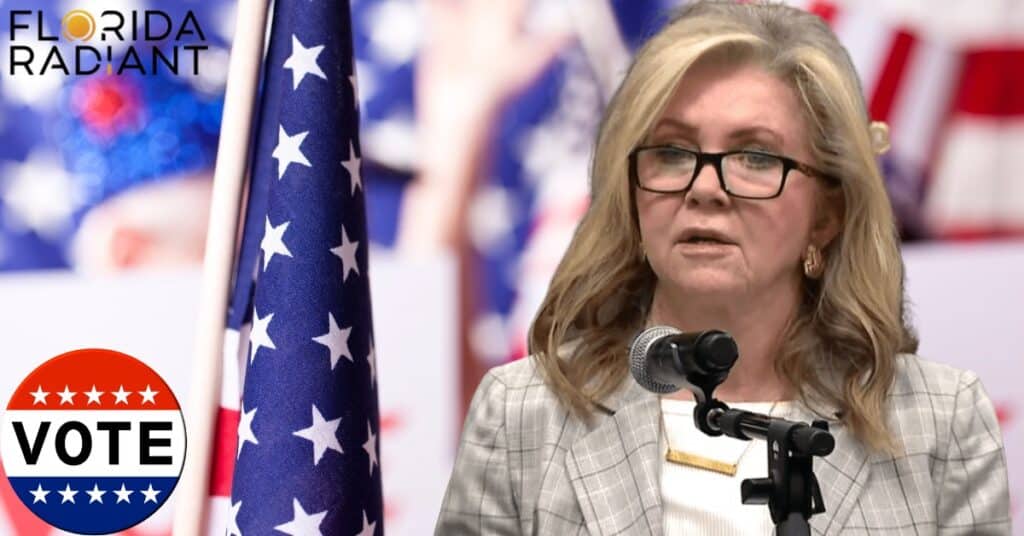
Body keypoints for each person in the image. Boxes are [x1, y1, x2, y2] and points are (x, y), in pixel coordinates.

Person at [434, 1, 1011, 534]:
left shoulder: (941, 422)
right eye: (671, 153)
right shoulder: (521, 416)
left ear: (826, 214)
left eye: (756, 157)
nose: (705, 188)